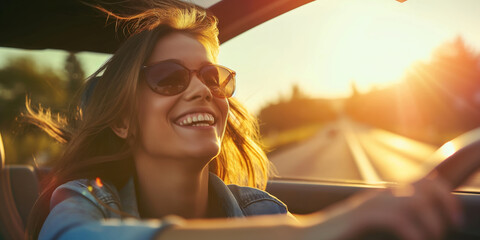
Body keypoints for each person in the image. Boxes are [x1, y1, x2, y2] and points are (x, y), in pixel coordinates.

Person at [24, 1, 463, 239]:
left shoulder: (261, 210)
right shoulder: (82, 203)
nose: (202, 91)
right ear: (123, 121)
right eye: (169, 78)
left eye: (212, 77)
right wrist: (326, 228)